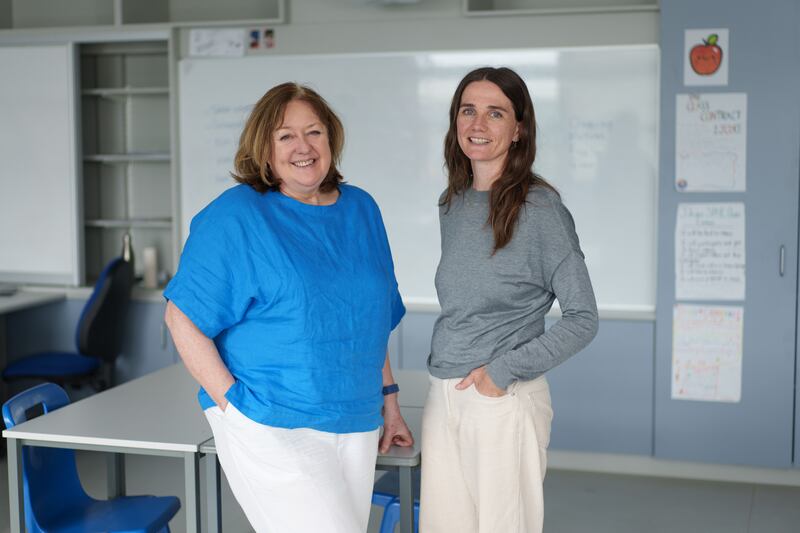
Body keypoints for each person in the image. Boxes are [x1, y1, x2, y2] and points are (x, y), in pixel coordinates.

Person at [164, 82, 413, 533]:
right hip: (274, 420)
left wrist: (390, 402)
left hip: (357, 418)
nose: (304, 147)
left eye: (314, 132)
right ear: (264, 148)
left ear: (331, 139)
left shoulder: (361, 209)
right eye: (286, 136)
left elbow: (369, 320)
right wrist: (236, 408)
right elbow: (181, 317)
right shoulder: (236, 216)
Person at [420, 67, 599, 533]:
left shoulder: (539, 209)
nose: (478, 124)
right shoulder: (453, 203)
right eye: (468, 111)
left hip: (502, 399)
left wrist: (500, 374)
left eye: (495, 113)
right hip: (444, 392)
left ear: (518, 129)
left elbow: (582, 318)